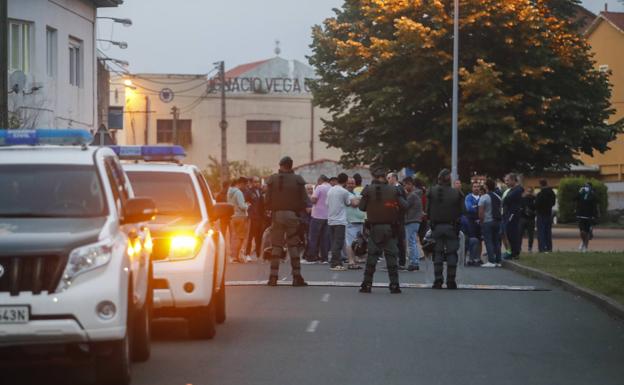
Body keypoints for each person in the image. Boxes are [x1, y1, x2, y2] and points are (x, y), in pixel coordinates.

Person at [358, 166, 406, 294]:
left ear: (374, 177)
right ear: (385, 177)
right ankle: (394, 285)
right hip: (390, 228)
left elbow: (361, 207)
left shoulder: (368, 190)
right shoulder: (394, 190)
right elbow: (404, 206)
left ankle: (366, 285)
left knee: (372, 257)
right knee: (391, 257)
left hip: (374, 228)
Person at [264, 156, 309, 286]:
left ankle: (273, 277)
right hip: (292, 216)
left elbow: (266, 200)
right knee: (293, 245)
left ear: (282, 165)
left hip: (277, 216)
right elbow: (305, 200)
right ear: (291, 166)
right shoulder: (298, 180)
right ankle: (296, 277)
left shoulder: (272, 179)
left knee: (276, 246)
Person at [427, 169, 464, 289]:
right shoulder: (456, 193)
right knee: (452, 253)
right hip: (451, 227)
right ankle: (451, 281)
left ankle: (438, 280)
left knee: (437, 253)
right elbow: (463, 211)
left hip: (436, 227)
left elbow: (427, 210)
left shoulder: (431, 191)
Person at [327, 173, 357, 271]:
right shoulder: (344, 191)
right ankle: (335, 264)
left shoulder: (330, 190)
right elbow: (348, 203)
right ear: (345, 182)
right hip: (340, 220)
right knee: (338, 243)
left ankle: (337, 262)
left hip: (331, 219)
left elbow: (326, 203)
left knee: (333, 242)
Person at [306, 175, 331, 263]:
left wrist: (311, 199)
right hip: (327, 216)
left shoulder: (320, 187)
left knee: (313, 237)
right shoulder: (331, 188)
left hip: (317, 216)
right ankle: (324, 258)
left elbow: (314, 200)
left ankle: (312, 257)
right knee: (324, 238)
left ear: (320, 180)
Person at [479, 179, 502, 267]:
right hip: (497, 221)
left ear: (486, 186)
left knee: (488, 241)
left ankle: (491, 261)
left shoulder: (484, 197)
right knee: (496, 241)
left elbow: (481, 212)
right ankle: (498, 261)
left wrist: (481, 221)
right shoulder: (498, 197)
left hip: (487, 221)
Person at [387, 172, 407, 269]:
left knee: (399, 240)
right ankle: (394, 262)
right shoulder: (395, 188)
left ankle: (401, 262)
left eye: (389, 178)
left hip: (398, 219)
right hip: (393, 218)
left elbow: (402, 204)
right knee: (393, 241)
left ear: (394, 178)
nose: (388, 180)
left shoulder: (398, 188)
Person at [403, 177, 424, 271]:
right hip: (416, 220)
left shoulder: (412, 196)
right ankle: (415, 261)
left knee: (411, 242)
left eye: (405, 184)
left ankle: (414, 262)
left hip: (411, 220)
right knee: (413, 241)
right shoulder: (417, 195)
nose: (404, 187)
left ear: (410, 184)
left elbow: (405, 206)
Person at [227, 177, 249, 263]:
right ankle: (236, 257)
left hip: (232, 216)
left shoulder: (229, 192)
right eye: (245, 184)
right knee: (241, 237)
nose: (246, 187)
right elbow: (242, 206)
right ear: (240, 183)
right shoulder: (239, 192)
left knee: (234, 237)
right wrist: (247, 206)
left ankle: (232, 256)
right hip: (240, 216)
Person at [502, 173, 524, 259]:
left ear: (513, 180)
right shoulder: (511, 190)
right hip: (508, 213)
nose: (506, 183)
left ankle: (515, 252)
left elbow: (507, 199)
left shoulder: (518, 190)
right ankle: (512, 251)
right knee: (509, 232)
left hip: (513, 214)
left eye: (508, 180)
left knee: (512, 232)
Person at [345, 177, 365, 269]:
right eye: (349, 183)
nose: (351, 185)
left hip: (359, 221)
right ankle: (351, 261)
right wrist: (360, 199)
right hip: (350, 221)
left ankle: (355, 260)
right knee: (350, 242)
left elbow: (362, 201)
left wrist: (358, 199)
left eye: (352, 183)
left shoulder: (356, 192)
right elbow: (355, 204)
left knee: (357, 242)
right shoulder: (346, 193)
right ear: (346, 184)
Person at [244, 176, 265, 262]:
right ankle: (247, 254)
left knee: (259, 236)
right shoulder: (248, 192)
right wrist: (249, 210)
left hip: (260, 217)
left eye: (258, 182)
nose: (257, 183)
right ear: (251, 183)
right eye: (255, 182)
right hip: (252, 217)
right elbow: (245, 202)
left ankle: (258, 253)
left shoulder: (260, 191)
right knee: (250, 236)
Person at [576, 182, 598, 253]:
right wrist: (579, 192)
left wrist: (594, 216)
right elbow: (574, 198)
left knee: (587, 232)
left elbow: (595, 205)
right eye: (585, 186)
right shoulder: (581, 194)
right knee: (582, 232)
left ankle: (585, 247)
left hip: (589, 216)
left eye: (587, 186)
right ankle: (583, 242)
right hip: (581, 215)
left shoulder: (592, 195)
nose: (586, 187)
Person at [535, 179, 556, 252]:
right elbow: (553, 203)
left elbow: (536, 204)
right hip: (548, 213)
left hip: (540, 214)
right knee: (548, 232)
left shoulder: (540, 194)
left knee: (541, 232)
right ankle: (549, 247)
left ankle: (542, 248)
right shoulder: (552, 192)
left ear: (540, 185)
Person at [464, 181, 482, 265]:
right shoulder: (468, 197)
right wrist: (478, 209)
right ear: (472, 188)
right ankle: (471, 259)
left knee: (480, 240)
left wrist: (475, 207)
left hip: (481, 221)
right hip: (471, 222)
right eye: (474, 186)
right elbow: (469, 208)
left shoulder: (482, 197)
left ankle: (478, 258)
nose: (476, 188)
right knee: (473, 240)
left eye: (478, 186)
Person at [519, 187, 536, 253]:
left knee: (531, 234)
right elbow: (520, 207)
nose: (529, 193)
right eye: (528, 191)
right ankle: (519, 247)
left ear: (532, 192)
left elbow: (536, 208)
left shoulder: (534, 199)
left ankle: (530, 247)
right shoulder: (522, 199)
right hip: (523, 218)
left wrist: (532, 212)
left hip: (531, 219)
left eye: (530, 191)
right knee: (520, 234)